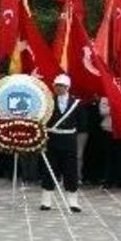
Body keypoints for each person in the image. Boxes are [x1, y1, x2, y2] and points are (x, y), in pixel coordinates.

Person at [41, 74, 82, 212]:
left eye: (61, 86)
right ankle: (46, 200)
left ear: (67, 87)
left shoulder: (76, 103)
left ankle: (73, 201)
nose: (58, 88)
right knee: (50, 169)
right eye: (56, 85)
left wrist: (80, 144)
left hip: (69, 141)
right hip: (52, 140)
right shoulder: (49, 102)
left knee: (70, 171)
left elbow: (82, 125)